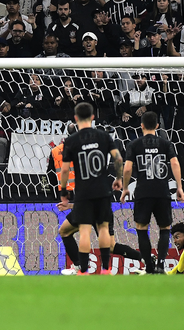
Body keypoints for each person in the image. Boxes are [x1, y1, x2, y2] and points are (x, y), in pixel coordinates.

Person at [58, 103, 124, 275]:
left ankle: (84, 271)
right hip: (103, 190)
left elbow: (64, 169)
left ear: (75, 119)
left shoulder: (71, 141)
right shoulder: (103, 136)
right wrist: (118, 179)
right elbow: (118, 159)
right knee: (103, 228)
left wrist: (63, 191)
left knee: (85, 230)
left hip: (83, 192)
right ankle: (106, 269)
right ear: (93, 117)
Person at [120, 111, 184, 274]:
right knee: (164, 228)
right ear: (157, 126)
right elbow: (175, 163)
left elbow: (127, 168)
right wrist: (179, 187)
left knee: (141, 228)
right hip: (162, 192)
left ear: (141, 125)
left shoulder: (134, 144)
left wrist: (125, 188)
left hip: (143, 192)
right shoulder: (165, 143)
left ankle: (149, 266)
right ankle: (161, 265)